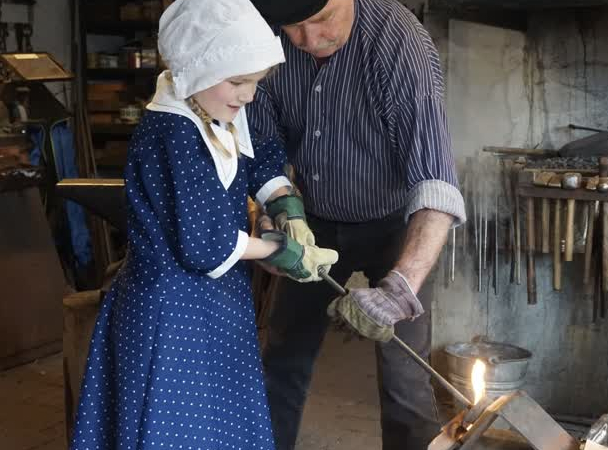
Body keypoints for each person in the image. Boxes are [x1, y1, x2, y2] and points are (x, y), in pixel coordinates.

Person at [69, 1, 338, 448]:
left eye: (254, 83)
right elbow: (205, 243)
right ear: (197, 69)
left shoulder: (214, 108)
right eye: (238, 82)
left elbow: (259, 157)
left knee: (220, 427)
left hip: (215, 304)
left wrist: (285, 204)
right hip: (172, 311)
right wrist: (280, 251)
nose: (249, 95)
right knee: (180, 431)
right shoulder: (174, 132)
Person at [247, 0, 466, 449]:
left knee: (404, 376)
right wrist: (274, 213)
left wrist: (403, 284)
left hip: (395, 225)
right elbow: (262, 147)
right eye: (294, 27)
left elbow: (434, 179)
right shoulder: (266, 35)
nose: (307, 42)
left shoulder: (399, 43)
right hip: (312, 220)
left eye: (322, 20)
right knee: (282, 359)